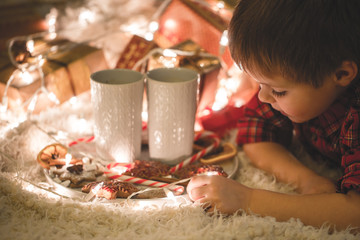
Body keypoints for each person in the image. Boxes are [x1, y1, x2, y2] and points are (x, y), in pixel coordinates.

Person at [187, 0, 360, 232]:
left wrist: (248, 200)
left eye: (279, 91)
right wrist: (306, 180)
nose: (262, 97)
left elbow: (354, 213)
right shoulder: (293, 89)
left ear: (341, 74)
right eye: (259, 84)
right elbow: (256, 133)